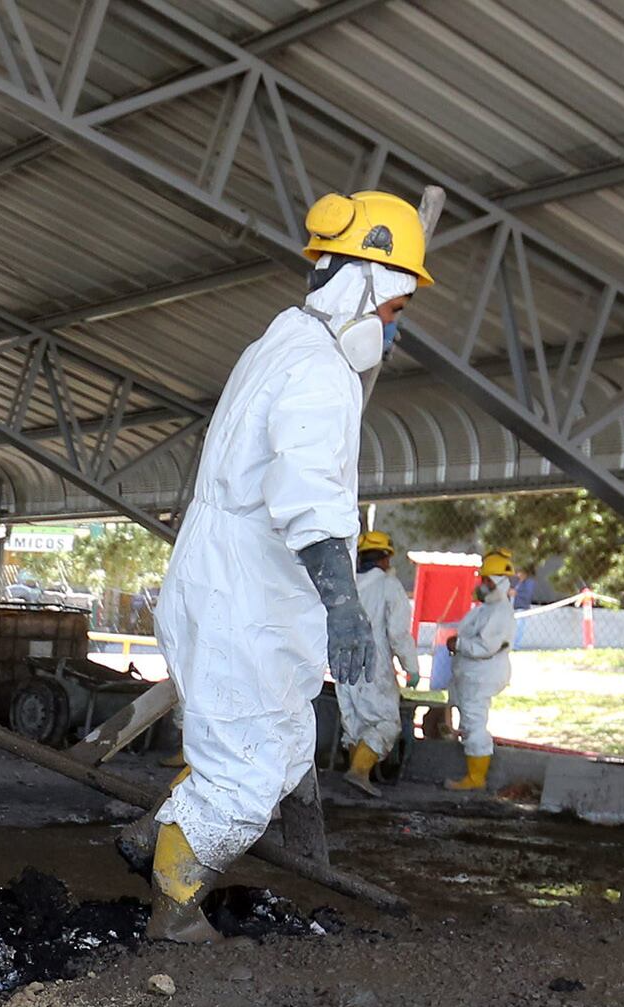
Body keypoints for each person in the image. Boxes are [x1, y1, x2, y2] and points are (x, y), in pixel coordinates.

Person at [133, 190, 426, 942]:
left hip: (229, 572)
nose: (393, 337)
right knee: (249, 767)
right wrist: (344, 604)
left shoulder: (278, 343)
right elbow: (307, 494)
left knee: (279, 740)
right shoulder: (321, 372)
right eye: (394, 315)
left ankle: (152, 836)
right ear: (364, 286)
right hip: (248, 589)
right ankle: (174, 904)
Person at [446, 550, 518, 791]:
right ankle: (474, 775)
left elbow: (486, 647)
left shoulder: (500, 612)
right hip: (472, 675)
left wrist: (459, 644)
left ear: (498, 582)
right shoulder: (485, 609)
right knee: (469, 722)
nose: (482, 585)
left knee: (475, 724)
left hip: (482, 676)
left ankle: (476, 778)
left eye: (487, 581)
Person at [346, 528, 410, 780]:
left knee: (354, 722)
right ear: (385, 559)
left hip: (345, 663)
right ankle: (359, 772)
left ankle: (355, 775)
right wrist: (411, 667)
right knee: (386, 722)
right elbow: (398, 634)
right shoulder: (388, 585)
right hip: (375, 663)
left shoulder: (349, 584)